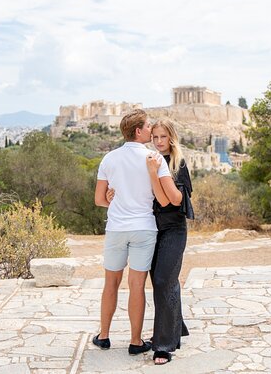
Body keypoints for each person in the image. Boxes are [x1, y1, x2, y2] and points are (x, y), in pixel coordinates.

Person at [93, 109, 180, 355]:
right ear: (139, 131)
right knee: (137, 285)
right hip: (144, 229)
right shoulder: (154, 158)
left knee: (111, 283)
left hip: (117, 229)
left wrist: (114, 200)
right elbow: (165, 200)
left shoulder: (109, 158)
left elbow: (99, 199)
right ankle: (135, 341)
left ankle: (104, 336)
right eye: (149, 125)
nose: (152, 130)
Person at [146, 119, 194, 365]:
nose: (158, 142)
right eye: (154, 137)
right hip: (152, 228)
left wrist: (155, 174)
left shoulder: (178, 163)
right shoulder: (149, 160)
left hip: (174, 229)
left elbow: (173, 200)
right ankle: (177, 326)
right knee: (160, 281)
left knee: (165, 279)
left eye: (162, 137)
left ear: (171, 138)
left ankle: (163, 345)